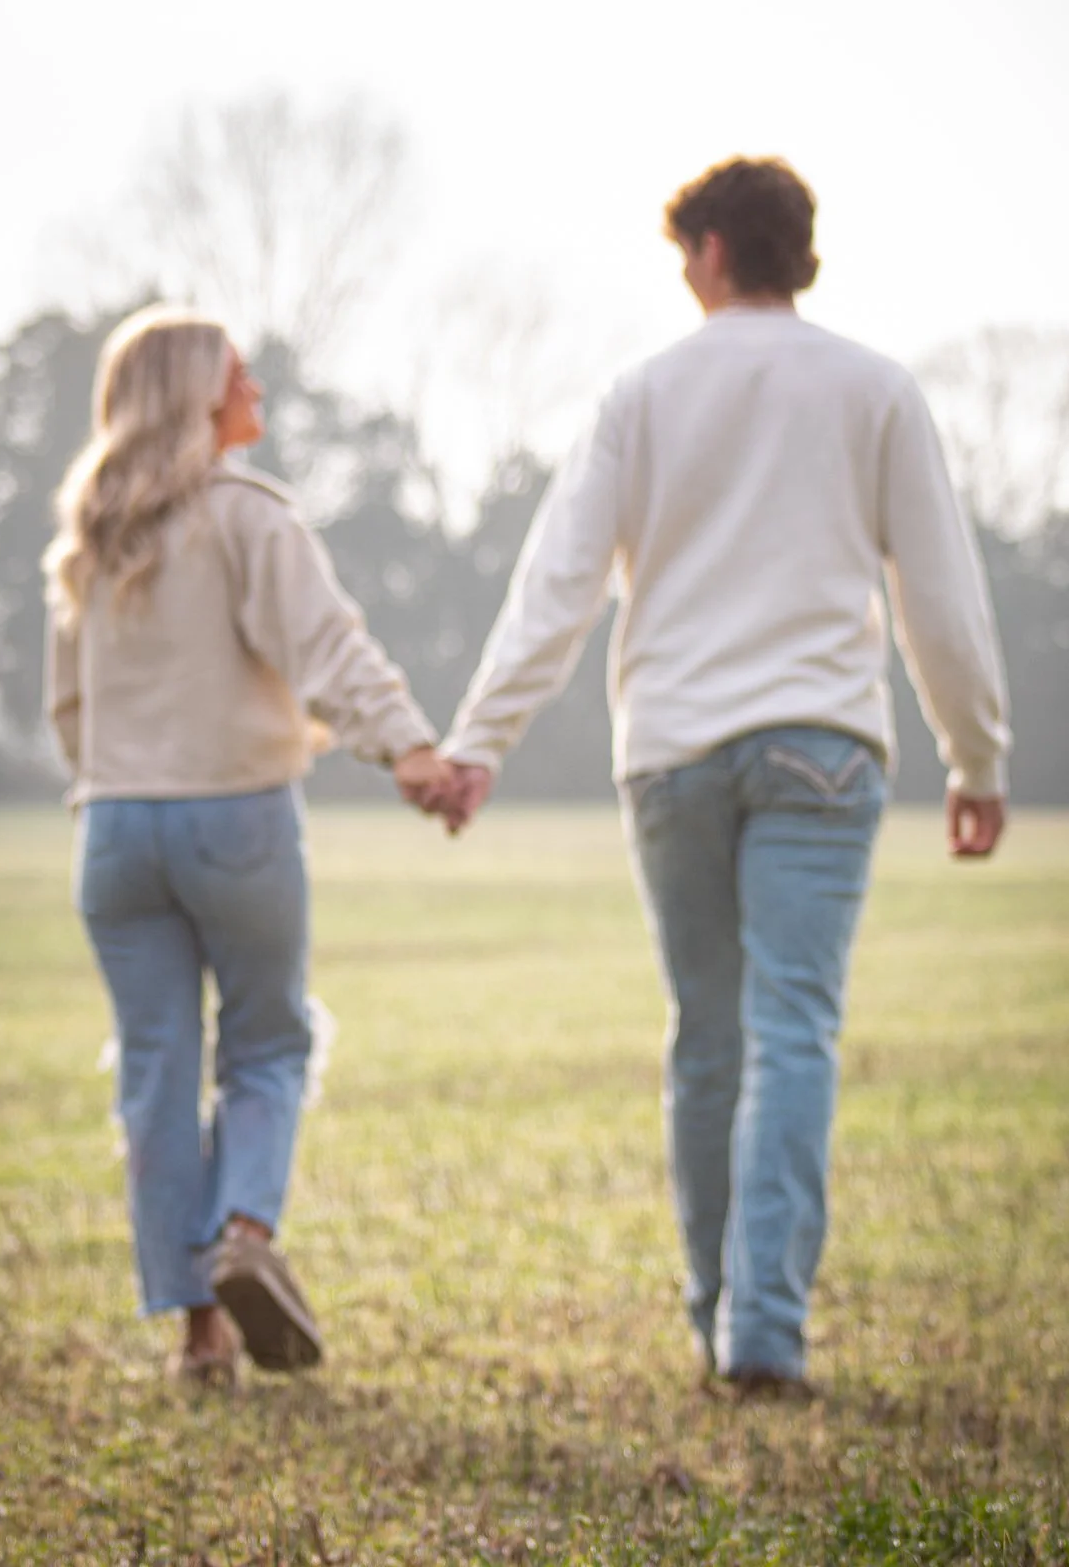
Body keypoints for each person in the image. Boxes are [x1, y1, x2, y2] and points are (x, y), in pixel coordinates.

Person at [434, 156, 1010, 1399]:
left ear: (705, 250)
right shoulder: (877, 390)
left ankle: (714, 1318)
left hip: (676, 753)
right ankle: (767, 1331)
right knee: (791, 1029)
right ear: (796, 251)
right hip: (822, 745)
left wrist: (481, 741)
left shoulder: (639, 395)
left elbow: (559, 586)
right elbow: (942, 601)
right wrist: (976, 755)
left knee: (708, 1038)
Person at [43, 305, 455, 1382]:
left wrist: (126, 777)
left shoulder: (89, 537)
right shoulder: (247, 516)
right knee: (268, 1043)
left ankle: (199, 1334)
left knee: (156, 1068)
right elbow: (326, 647)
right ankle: (245, 1236)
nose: (259, 386)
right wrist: (410, 748)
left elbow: (68, 710)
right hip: (234, 812)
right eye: (239, 373)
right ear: (194, 396)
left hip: (115, 828)